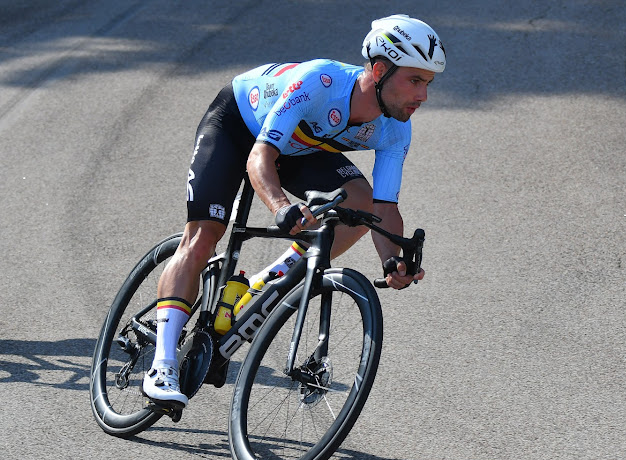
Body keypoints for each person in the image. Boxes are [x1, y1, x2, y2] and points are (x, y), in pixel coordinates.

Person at [142, 14, 446, 408]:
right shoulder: (320, 83)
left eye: (429, 84)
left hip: (301, 146)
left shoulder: (395, 127)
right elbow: (259, 158)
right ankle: (162, 364)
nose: (422, 96)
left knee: (359, 201)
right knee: (203, 237)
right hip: (240, 127)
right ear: (379, 69)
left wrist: (392, 261)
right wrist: (282, 208)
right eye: (415, 81)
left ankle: (268, 280)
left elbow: (384, 207)